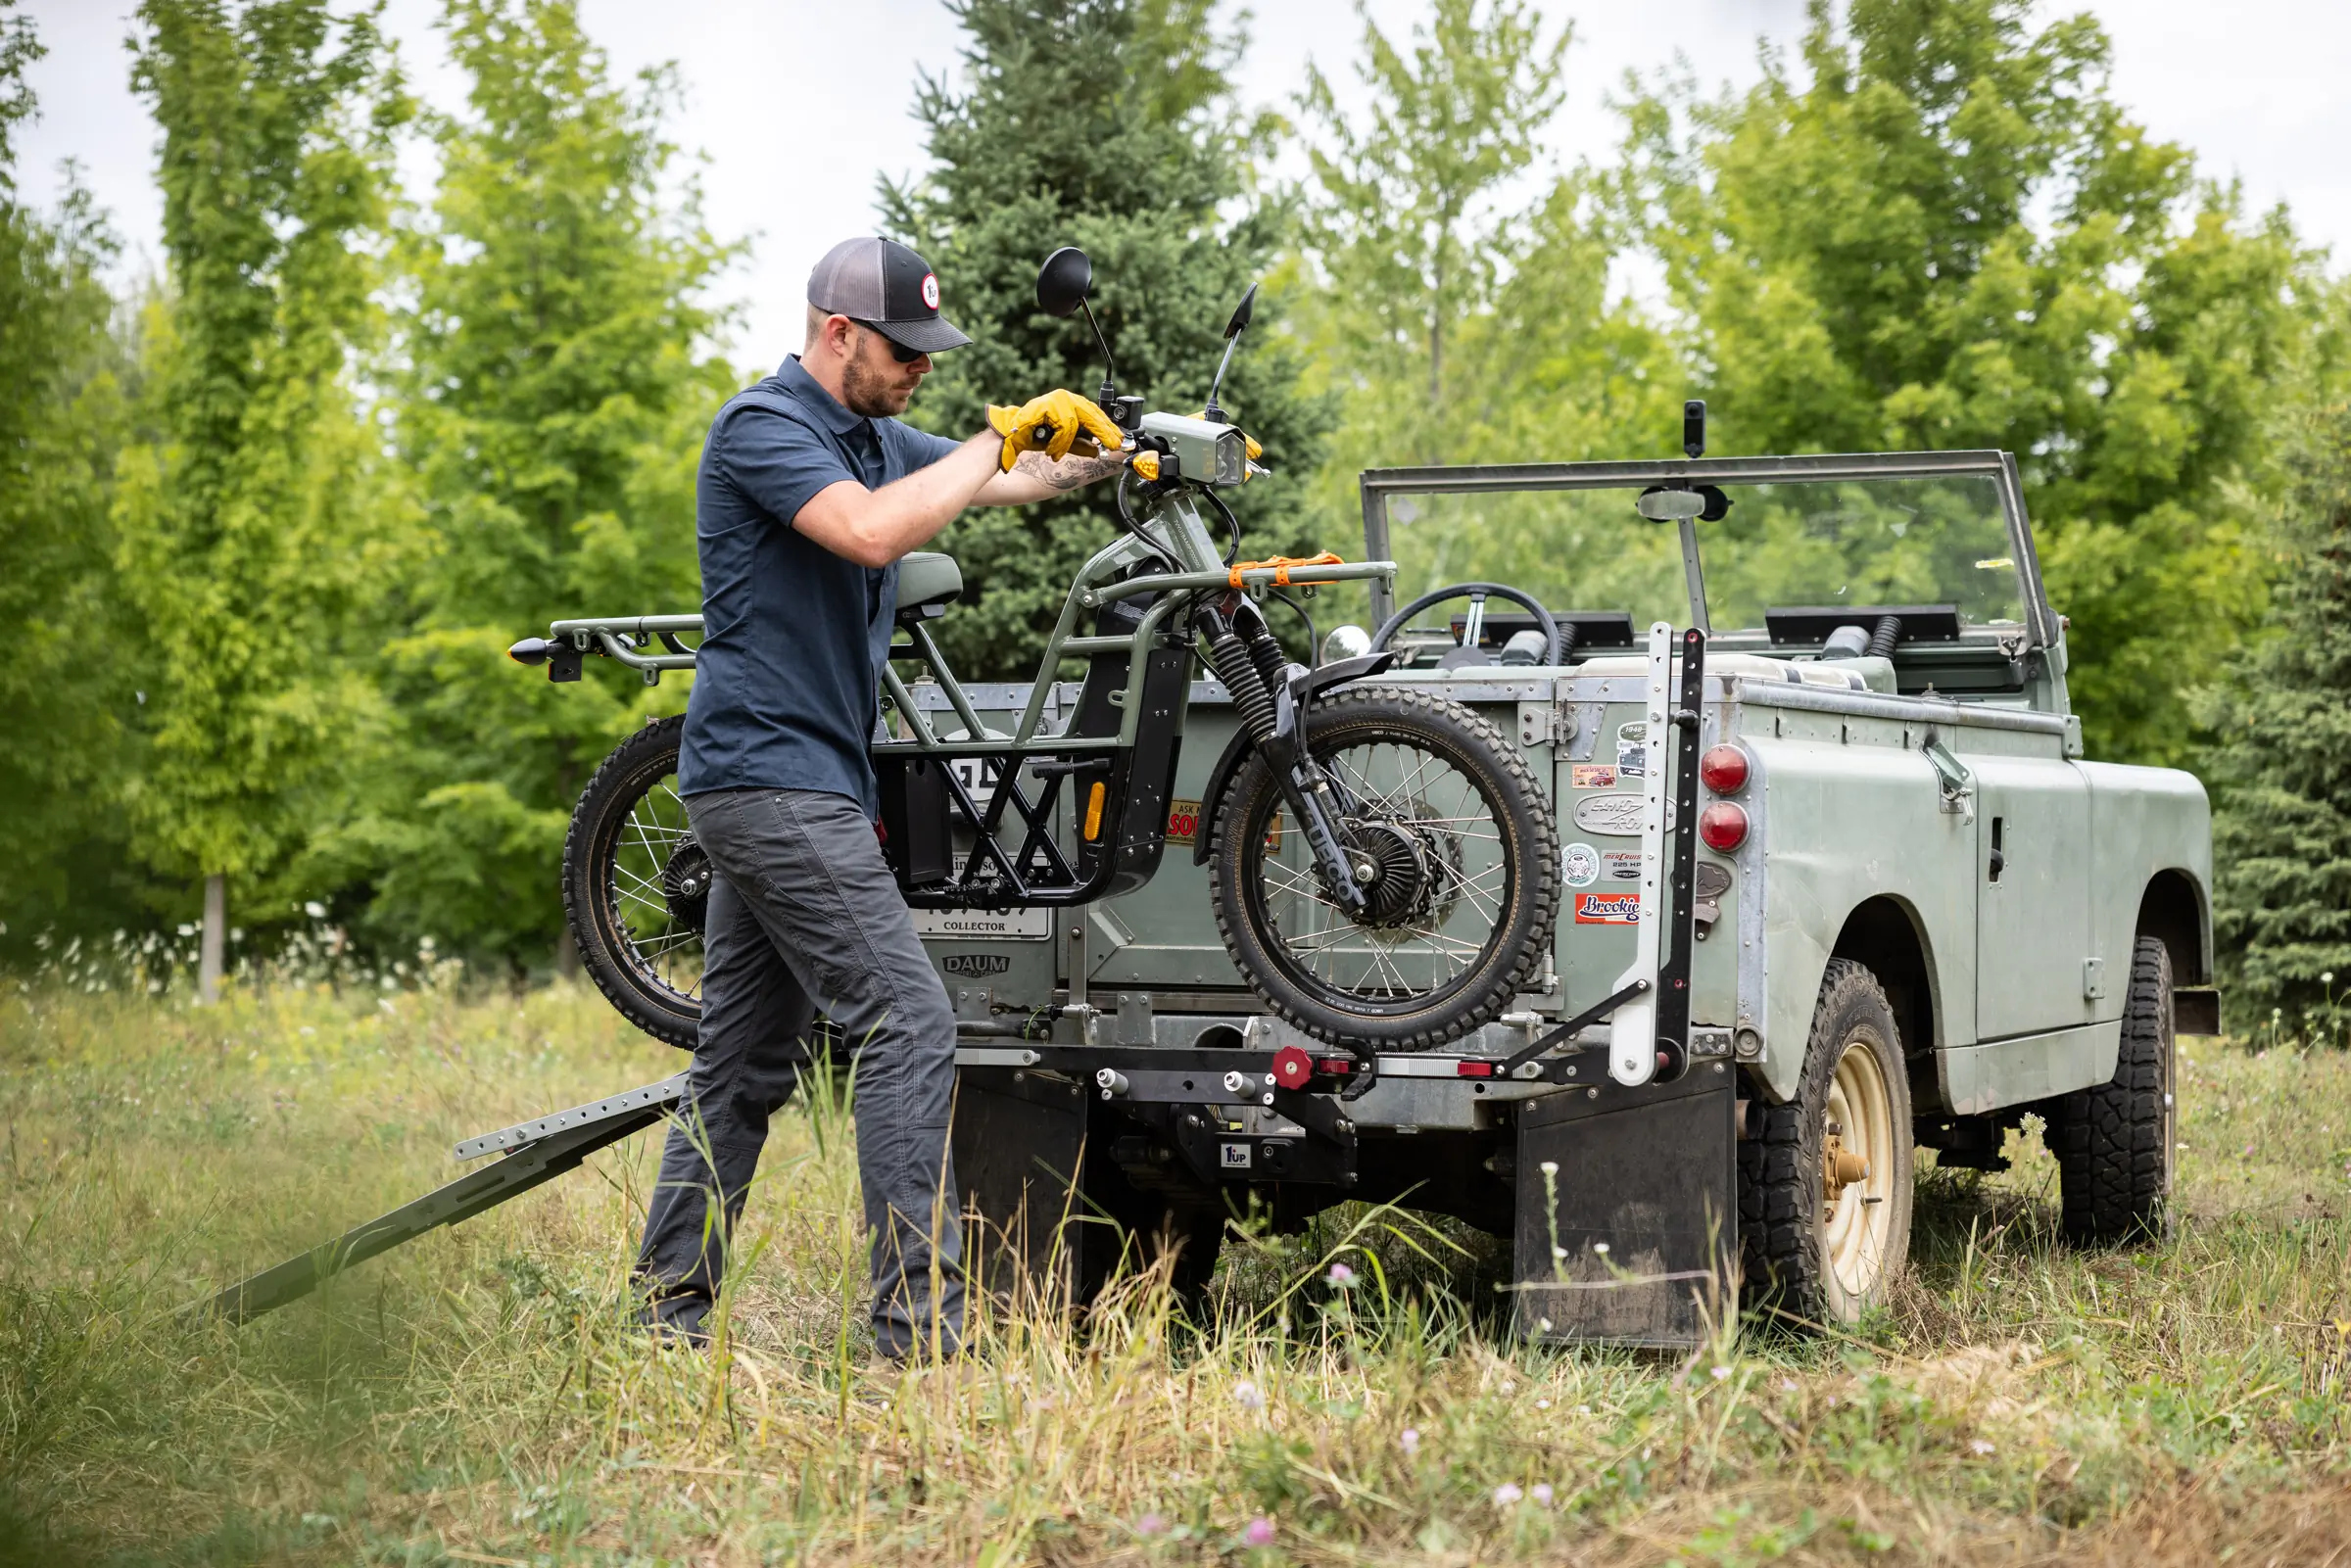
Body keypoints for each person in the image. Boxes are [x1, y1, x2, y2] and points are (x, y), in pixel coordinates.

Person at [634, 236, 1126, 1357]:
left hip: (798, 784)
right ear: (838, 333)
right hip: (768, 778)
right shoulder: (764, 427)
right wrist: (994, 434)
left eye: (930, 356)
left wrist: (1108, 451)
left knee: (741, 1067)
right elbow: (870, 532)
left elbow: (1004, 477)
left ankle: (664, 1316)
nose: (921, 371)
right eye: (904, 351)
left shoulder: (868, 430)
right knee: (909, 1023)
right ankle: (914, 1335)